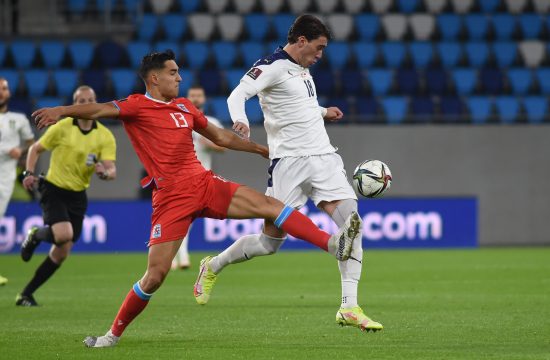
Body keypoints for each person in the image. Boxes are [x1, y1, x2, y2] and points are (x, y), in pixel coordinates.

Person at [32, 49, 362, 348]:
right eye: (173, 72)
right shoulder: (136, 105)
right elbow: (100, 108)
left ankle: (331, 244)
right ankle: (111, 335)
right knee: (155, 276)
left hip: (203, 183)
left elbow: (219, 136)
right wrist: (62, 110)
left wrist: (261, 149)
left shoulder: (184, 107)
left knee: (273, 207)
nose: (179, 77)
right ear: (154, 78)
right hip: (171, 198)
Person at [193, 15, 383, 332]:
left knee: (352, 225)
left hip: (323, 157)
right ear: (301, 42)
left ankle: (349, 307)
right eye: (319, 47)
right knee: (269, 243)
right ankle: (213, 265)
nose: (321, 54)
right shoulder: (271, 66)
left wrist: (324, 112)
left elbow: (301, 106)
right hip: (288, 164)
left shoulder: (303, 69)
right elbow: (236, 95)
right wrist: (239, 120)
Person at [16, 85, 117, 306]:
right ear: (74, 103)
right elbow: (35, 149)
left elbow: (111, 170)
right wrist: (29, 173)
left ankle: (26, 294)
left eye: (89, 100)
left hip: (78, 194)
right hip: (54, 188)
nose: (85, 104)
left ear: (95, 103)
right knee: (63, 235)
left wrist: (104, 173)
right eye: (80, 101)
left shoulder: (104, 135)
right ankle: (35, 235)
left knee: (62, 252)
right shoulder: (62, 127)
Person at [171, 85, 225, 270]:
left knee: (184, 219)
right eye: (192, 95)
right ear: (187, 97)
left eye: (198, 95)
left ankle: (173, 257)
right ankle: (181, 257)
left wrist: (208, 143)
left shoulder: (211, 122)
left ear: (204, 98)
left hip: (202, 177)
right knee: (184, 218)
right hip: (180, 177)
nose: (195, 98)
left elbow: (223, 146)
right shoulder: (177, 120)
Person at [0, 76, 35, 288]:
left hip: (5, 180)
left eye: (4, 88)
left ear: (9, 93)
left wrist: (20, 151)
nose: (1, 91)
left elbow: (33, 145)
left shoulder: (18, 119)